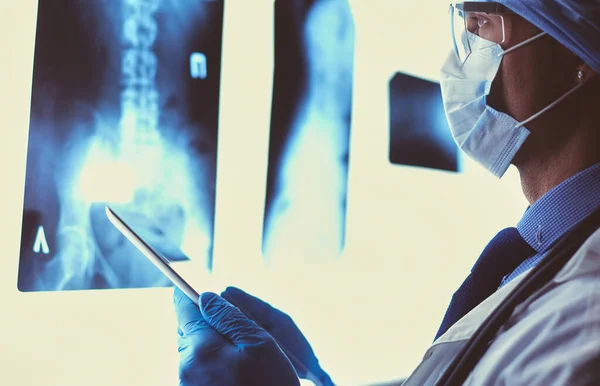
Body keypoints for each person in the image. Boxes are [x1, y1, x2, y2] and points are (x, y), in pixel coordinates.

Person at [173, 1, 600, 385]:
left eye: (484, 23)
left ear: (578, 56)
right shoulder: (544, 257)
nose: (461, 59)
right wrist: (318, 380)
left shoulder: (585, 318)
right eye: (465, 24)